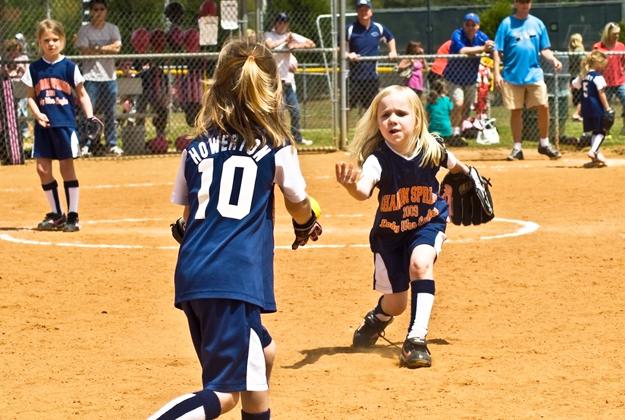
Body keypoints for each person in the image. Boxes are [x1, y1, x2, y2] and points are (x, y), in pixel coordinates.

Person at [149, 39, 322, 420]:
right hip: (234, 278)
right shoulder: (277, 147)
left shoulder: (193, 149)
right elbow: (298, 202)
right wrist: (306, 222)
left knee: (262, 354)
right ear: (271, 91)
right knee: (226, 392)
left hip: (196, 273)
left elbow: (188, 215)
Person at [335, 85, 472, 369]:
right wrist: (351, 188)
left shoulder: (432, 149)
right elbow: (363, 189)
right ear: (378, 123)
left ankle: (416, 339)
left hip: (427, 222)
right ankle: (378, 318)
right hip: (390, 235)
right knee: (396, 303)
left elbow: (457, 166)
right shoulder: (378, 158)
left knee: (421, 264)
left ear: (418, 120)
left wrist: (470, 177)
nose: (392, 120)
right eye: (385, 115)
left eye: (401, 113)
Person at [21, 19, 96, 232]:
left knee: (66, 168)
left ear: (62, 40)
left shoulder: (69, 67)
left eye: (55, 39)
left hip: (65, 125)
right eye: (46, 40)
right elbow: (30, 97)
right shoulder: (34, 69)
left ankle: (73, 215)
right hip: (44, 126)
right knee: (42, 169)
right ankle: (57, 214)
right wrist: (37, 114)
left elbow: (82, 94)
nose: (51, 43)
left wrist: (90, 117)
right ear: (39, 42)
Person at [493, 0, 562, 161]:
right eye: (521, 1)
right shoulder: (506, 24)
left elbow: (544, 49)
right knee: (516, 110)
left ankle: (544, 144)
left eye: (527, 1)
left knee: (543, 106)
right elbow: (497, 50)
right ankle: (517, 148)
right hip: (512, 74)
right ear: (515, 3)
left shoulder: (537, 23)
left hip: (534, 73)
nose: (525, 4)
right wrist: (497, 73)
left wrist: (553, 60)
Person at [76, 0, 123, 156]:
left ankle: (112, 144)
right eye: (95, 9)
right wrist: (104, 48)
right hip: (90, 77)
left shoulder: (112, 28)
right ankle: (85, 145)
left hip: (109, 77)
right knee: (88, 114)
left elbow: (117, 48)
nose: (98, 12)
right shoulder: (85, 30)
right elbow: (84, 51)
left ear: (106, 11)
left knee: (111, 113)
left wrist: (96, 48)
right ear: (91, 11)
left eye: (102, 9)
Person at [264, 12, 315, 146]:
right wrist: (285, 41)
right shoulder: (269, 34)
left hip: (287, 82)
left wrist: (294, 45)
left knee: (296, 111)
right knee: (278, 113)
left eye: (285, 22)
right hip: (274, 81)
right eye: (280, 21)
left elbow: (311, 44)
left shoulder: (291, 36)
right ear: (275, 23)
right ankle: (278, 139)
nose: (282, 24)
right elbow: (270, 45)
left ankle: (297, 137)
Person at [444, 13, 494, 137]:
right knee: (458, 103)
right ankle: (453, 133)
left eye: (473, 25)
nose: (470, 27)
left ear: (478, 26)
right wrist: (483, 48)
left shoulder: (481, 36)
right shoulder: (457, 34)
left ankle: (459, 132)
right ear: (463, 25)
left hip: (470, 79)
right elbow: (463, 50)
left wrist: (491, 46)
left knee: (467, 107)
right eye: (468, 24)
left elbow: (491, 46)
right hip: (454, 77)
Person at [345, 0, 397, 114]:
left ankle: (369, 131)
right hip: (353, 76)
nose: (363, 12)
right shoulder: (350, 29)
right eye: (361, 10)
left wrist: (393, 51)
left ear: (371, 12)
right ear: (357, 12)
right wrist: (348, 55)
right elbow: (339, 48)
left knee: (370, 108)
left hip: (371, 76)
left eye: (366, 10)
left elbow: (390, 38)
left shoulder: (378, 28)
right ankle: (343, 131)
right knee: (347, 107)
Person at [571, 50, 611, 165]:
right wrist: (608, 108)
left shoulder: (583, 75)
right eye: (603, 64)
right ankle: (593, 151)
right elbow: (601, 93)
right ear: (598, 64)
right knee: (602, 132)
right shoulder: (598, 77)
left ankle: (595, 155)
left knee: (595, 131)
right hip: (597, 108)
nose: (604, 67)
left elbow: (573, 85)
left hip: (586, 109)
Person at [592, 22, 625, 135]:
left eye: (618, 34)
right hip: (604, 83)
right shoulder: (598, 47)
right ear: (608, 33)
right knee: (605, 108)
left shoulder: (621, 46)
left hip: (620, 81)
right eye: (614, 33)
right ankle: (605, 130)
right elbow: (593, 62)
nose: (617, 36)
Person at [426, 80, 466, 147]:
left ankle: (437, 139)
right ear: (443, 90)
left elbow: (428, 116)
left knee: (435, 138)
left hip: (433, 129)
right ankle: (447, 140)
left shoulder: (431, 100)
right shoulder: (447, 99)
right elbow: (451, 111)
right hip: (446, 129)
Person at [4, 39, 30, 139]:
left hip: (21, 84)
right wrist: (8, 71)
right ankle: (12, 129)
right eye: (12, 50)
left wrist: (20, 67)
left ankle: (24, 130)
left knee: (22, 108)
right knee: (12, 108)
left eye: (16, 50)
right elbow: (4, 72)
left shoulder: (24, 57)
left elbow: (28, 72)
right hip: (10, 84)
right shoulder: (6, 58)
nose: (14, 52)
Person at [569, 33, 585, 121]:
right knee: (582, 97)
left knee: (578, 97)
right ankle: (576, 114)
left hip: (573, 76)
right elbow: (582, 62)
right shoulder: (579, 50)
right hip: (579, 76)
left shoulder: (571, 51)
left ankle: (580, 114)